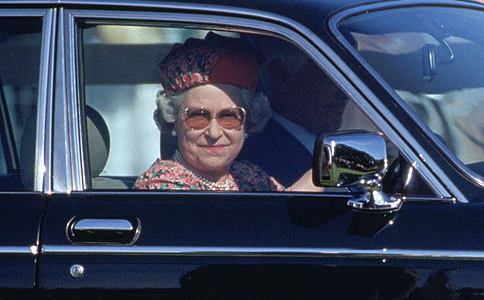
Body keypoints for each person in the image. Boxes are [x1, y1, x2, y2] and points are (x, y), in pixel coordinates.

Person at [135, 34, 319, 192]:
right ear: (174, 120)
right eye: (198, 117)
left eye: (229, 117)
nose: (214, 133)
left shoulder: (249, 176)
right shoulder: (161, 184)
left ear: (247, 123)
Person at [238, 41, 350, 185]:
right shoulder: (257, 159)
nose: (344, 94)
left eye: (347, 81)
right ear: (281, 76)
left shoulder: (328, 144)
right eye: (328, 77)